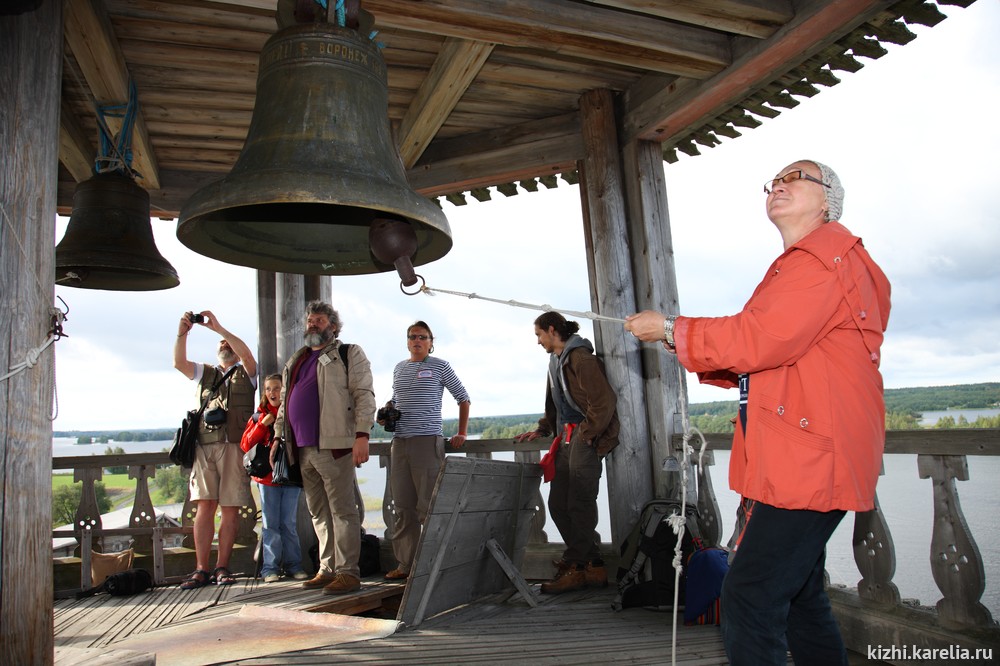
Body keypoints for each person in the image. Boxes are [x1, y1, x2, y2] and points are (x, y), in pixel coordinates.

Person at [625, 160, 891, 665]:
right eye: (775, 181)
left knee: (750, 594)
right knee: (799, 596)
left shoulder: (823, 259)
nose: (780, 185)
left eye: (797, 177)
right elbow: (773, 353)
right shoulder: (814, 262)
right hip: (809, 452)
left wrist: (672, 329)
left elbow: (759, 337)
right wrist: (680, 341)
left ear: (829, 198)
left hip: (811, 459)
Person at [274, 301, 375, 595]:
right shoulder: (297, 358)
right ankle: (327, 568)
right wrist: (279, 439)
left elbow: (364, 394)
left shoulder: (348, 353)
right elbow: (283, 402)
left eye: (319, 319)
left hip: (334, 445)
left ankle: (348, 572)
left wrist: (362, 435)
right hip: (301, 447)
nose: (313, 324)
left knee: (343, 511)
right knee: (318, 513)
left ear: (333, 325)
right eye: (310, 320)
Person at [515, 312, 620, 594]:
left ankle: (578, 566)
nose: (538, 341)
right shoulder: (555, 361)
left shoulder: (581, 358)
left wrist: (587, 434)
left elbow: (604, 401)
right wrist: (542, 429)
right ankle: (592, 564)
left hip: (583, 437)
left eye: (539, 334)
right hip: (565, 437)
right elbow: (557, 405)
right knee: (559, 504)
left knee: (579, 502)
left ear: (552, 330)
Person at [380, 321, 471, 581]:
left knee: (428, 507)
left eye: (422, 337)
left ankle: (433, 565)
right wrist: (388, 413)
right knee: (403, 507)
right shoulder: (399, 368)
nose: (416, 341)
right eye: (412, 337)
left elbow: (463, 398)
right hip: (400, 443)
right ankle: (405, 565)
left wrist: (462, 432)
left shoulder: (440, 366)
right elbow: (396, 400)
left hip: (427, 441)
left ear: (431, 342)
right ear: (407, 341)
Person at [174, 310, 258, 589]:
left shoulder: (247, 373)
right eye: (221, 345)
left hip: (234, 446)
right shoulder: (206, 373)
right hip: (205, 446)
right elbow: (179, 363)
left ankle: (222, 566)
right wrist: (183, 333)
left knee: (230, 508)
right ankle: (201, 568)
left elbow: (247, 357)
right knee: (204, 507)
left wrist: (219, 328)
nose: (224, 346)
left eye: (228, 344)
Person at [239, 373, 308, 583]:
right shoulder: (259, 415)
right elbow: (245, 445)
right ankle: (269, 568)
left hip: (290, 475)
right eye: (268, 389)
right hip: (267, 479)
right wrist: (262, 425)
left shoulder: (293, 411)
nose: (272, 393)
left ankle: (293, 565)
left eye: (276, 388)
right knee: (270, 524)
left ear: (284, 390)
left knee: (288, 523)